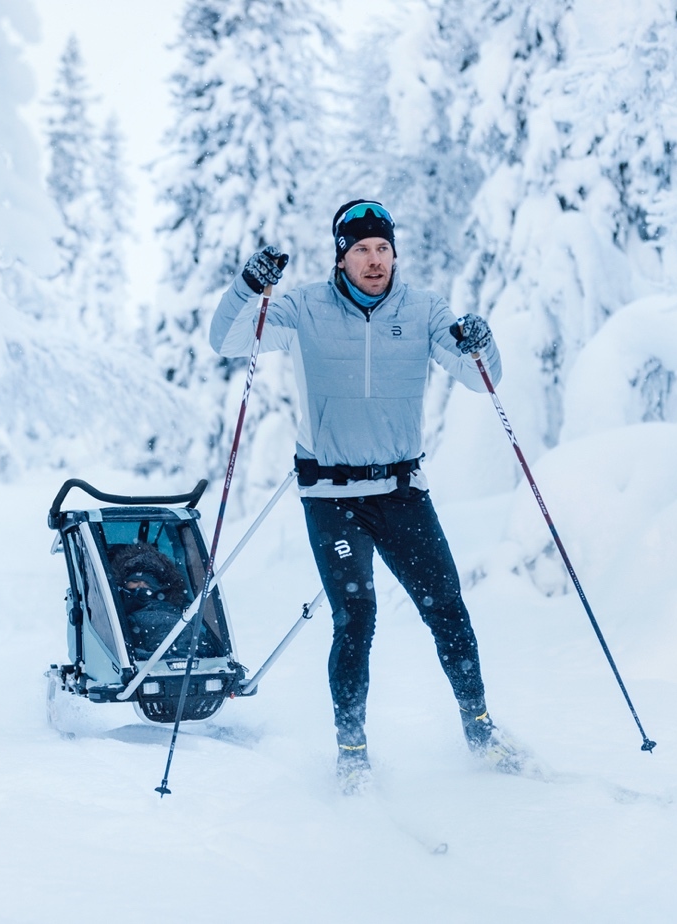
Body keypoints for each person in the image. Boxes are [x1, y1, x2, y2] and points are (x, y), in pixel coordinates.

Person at [209, 199, 515, 792]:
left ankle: (482, 732)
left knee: (447, 608)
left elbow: (483, 378)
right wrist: (249, 285)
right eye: (361, 250)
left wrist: (483, 343)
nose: (374, 260)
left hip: (401, 492)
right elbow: (228, 340)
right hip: (332, 496)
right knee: (356, 617)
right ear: (341, 257)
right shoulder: (303, 308)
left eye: (383, 249)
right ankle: (352, 754)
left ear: (394, 254)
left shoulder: (424, 310)